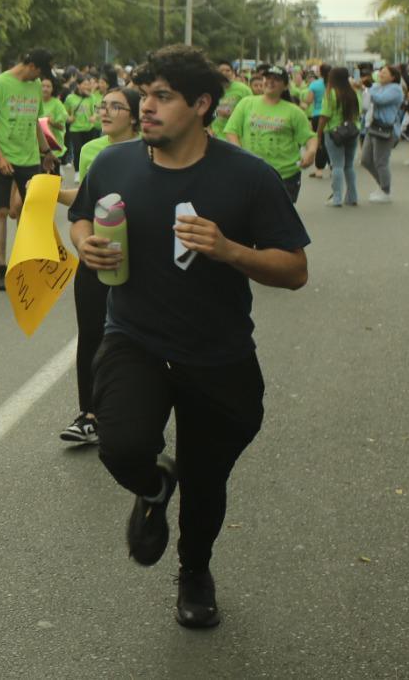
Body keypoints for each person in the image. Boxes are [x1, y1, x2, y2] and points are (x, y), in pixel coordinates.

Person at [69, 45, 308, 629]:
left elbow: (295, 269)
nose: (143, 107)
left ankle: (195, 570)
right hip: (134, 336)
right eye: (142, 94)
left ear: (201, 105)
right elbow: (80, 214)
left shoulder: (248, 176)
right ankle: (154, 486)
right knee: (121, 445)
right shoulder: (116, 163)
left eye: (161, 97)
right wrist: (83, 241)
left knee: (207, 478)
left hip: (216, 351)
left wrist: (229, 250)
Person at [53, 84, 142, 444]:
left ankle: (137, 409)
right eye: (102, 106)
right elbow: (86, 197)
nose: (104, 112)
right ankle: (89, 414)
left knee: (134, 337)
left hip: (139, 256)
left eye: (115, 107)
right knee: (91, 333)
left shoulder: (150, 151)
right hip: (96, 253)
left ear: (135, 116)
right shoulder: (91, 150)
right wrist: (52, 193)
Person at [0, 49, 57, 292]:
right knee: (1, 211)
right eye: (39, 72)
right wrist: (0, 157)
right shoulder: (0, 83)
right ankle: (2, 268)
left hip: (28, 158)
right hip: (1, 158)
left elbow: (35, 121)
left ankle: (24, 263)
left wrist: (46, 152)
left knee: (27, 213)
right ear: (30, 64)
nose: (40, 79)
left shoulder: (34, 86)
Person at [223, 65, 317, 203]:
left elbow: (309, 137)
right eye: (268, 78)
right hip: (251, 172)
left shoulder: (294, 111)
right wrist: (241, 156)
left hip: (285, 175)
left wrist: (311, 152)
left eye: (276, 79)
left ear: (285, 86)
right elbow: (231, 131)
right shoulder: (247, 103)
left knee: (279, 220)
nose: (270, 82)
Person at [360, 65, 405, 202]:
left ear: (393, 76)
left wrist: (366, 90)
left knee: (381, 161)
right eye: (381, 72)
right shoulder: (376, 86)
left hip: (386, 129)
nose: (381, 74)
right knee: (366, 160)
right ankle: (382, 186)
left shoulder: (396, 89)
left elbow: (380, 99)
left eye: (385, 73)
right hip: (373, 127)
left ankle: (386, 190)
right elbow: (368, 100)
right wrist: (367, 89)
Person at [320, 67, 361, 207]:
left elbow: (325, 116)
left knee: (336, 165)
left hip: (334, 133)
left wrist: (319, 133)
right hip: (352, 131)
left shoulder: (331, 94)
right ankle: (352, 196)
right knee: (349, 166)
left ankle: (336, 197)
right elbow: (359, 112)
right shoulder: (354, 93)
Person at [39, 74, 70, 170]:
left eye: (48, 86)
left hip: (53, 148)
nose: (45, 89)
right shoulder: (35, 102)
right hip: (37, 149)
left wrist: (51, 122)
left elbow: (62, 127)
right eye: (43, 86)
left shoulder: (57, 104)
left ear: (53, 89)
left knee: (52, 178)